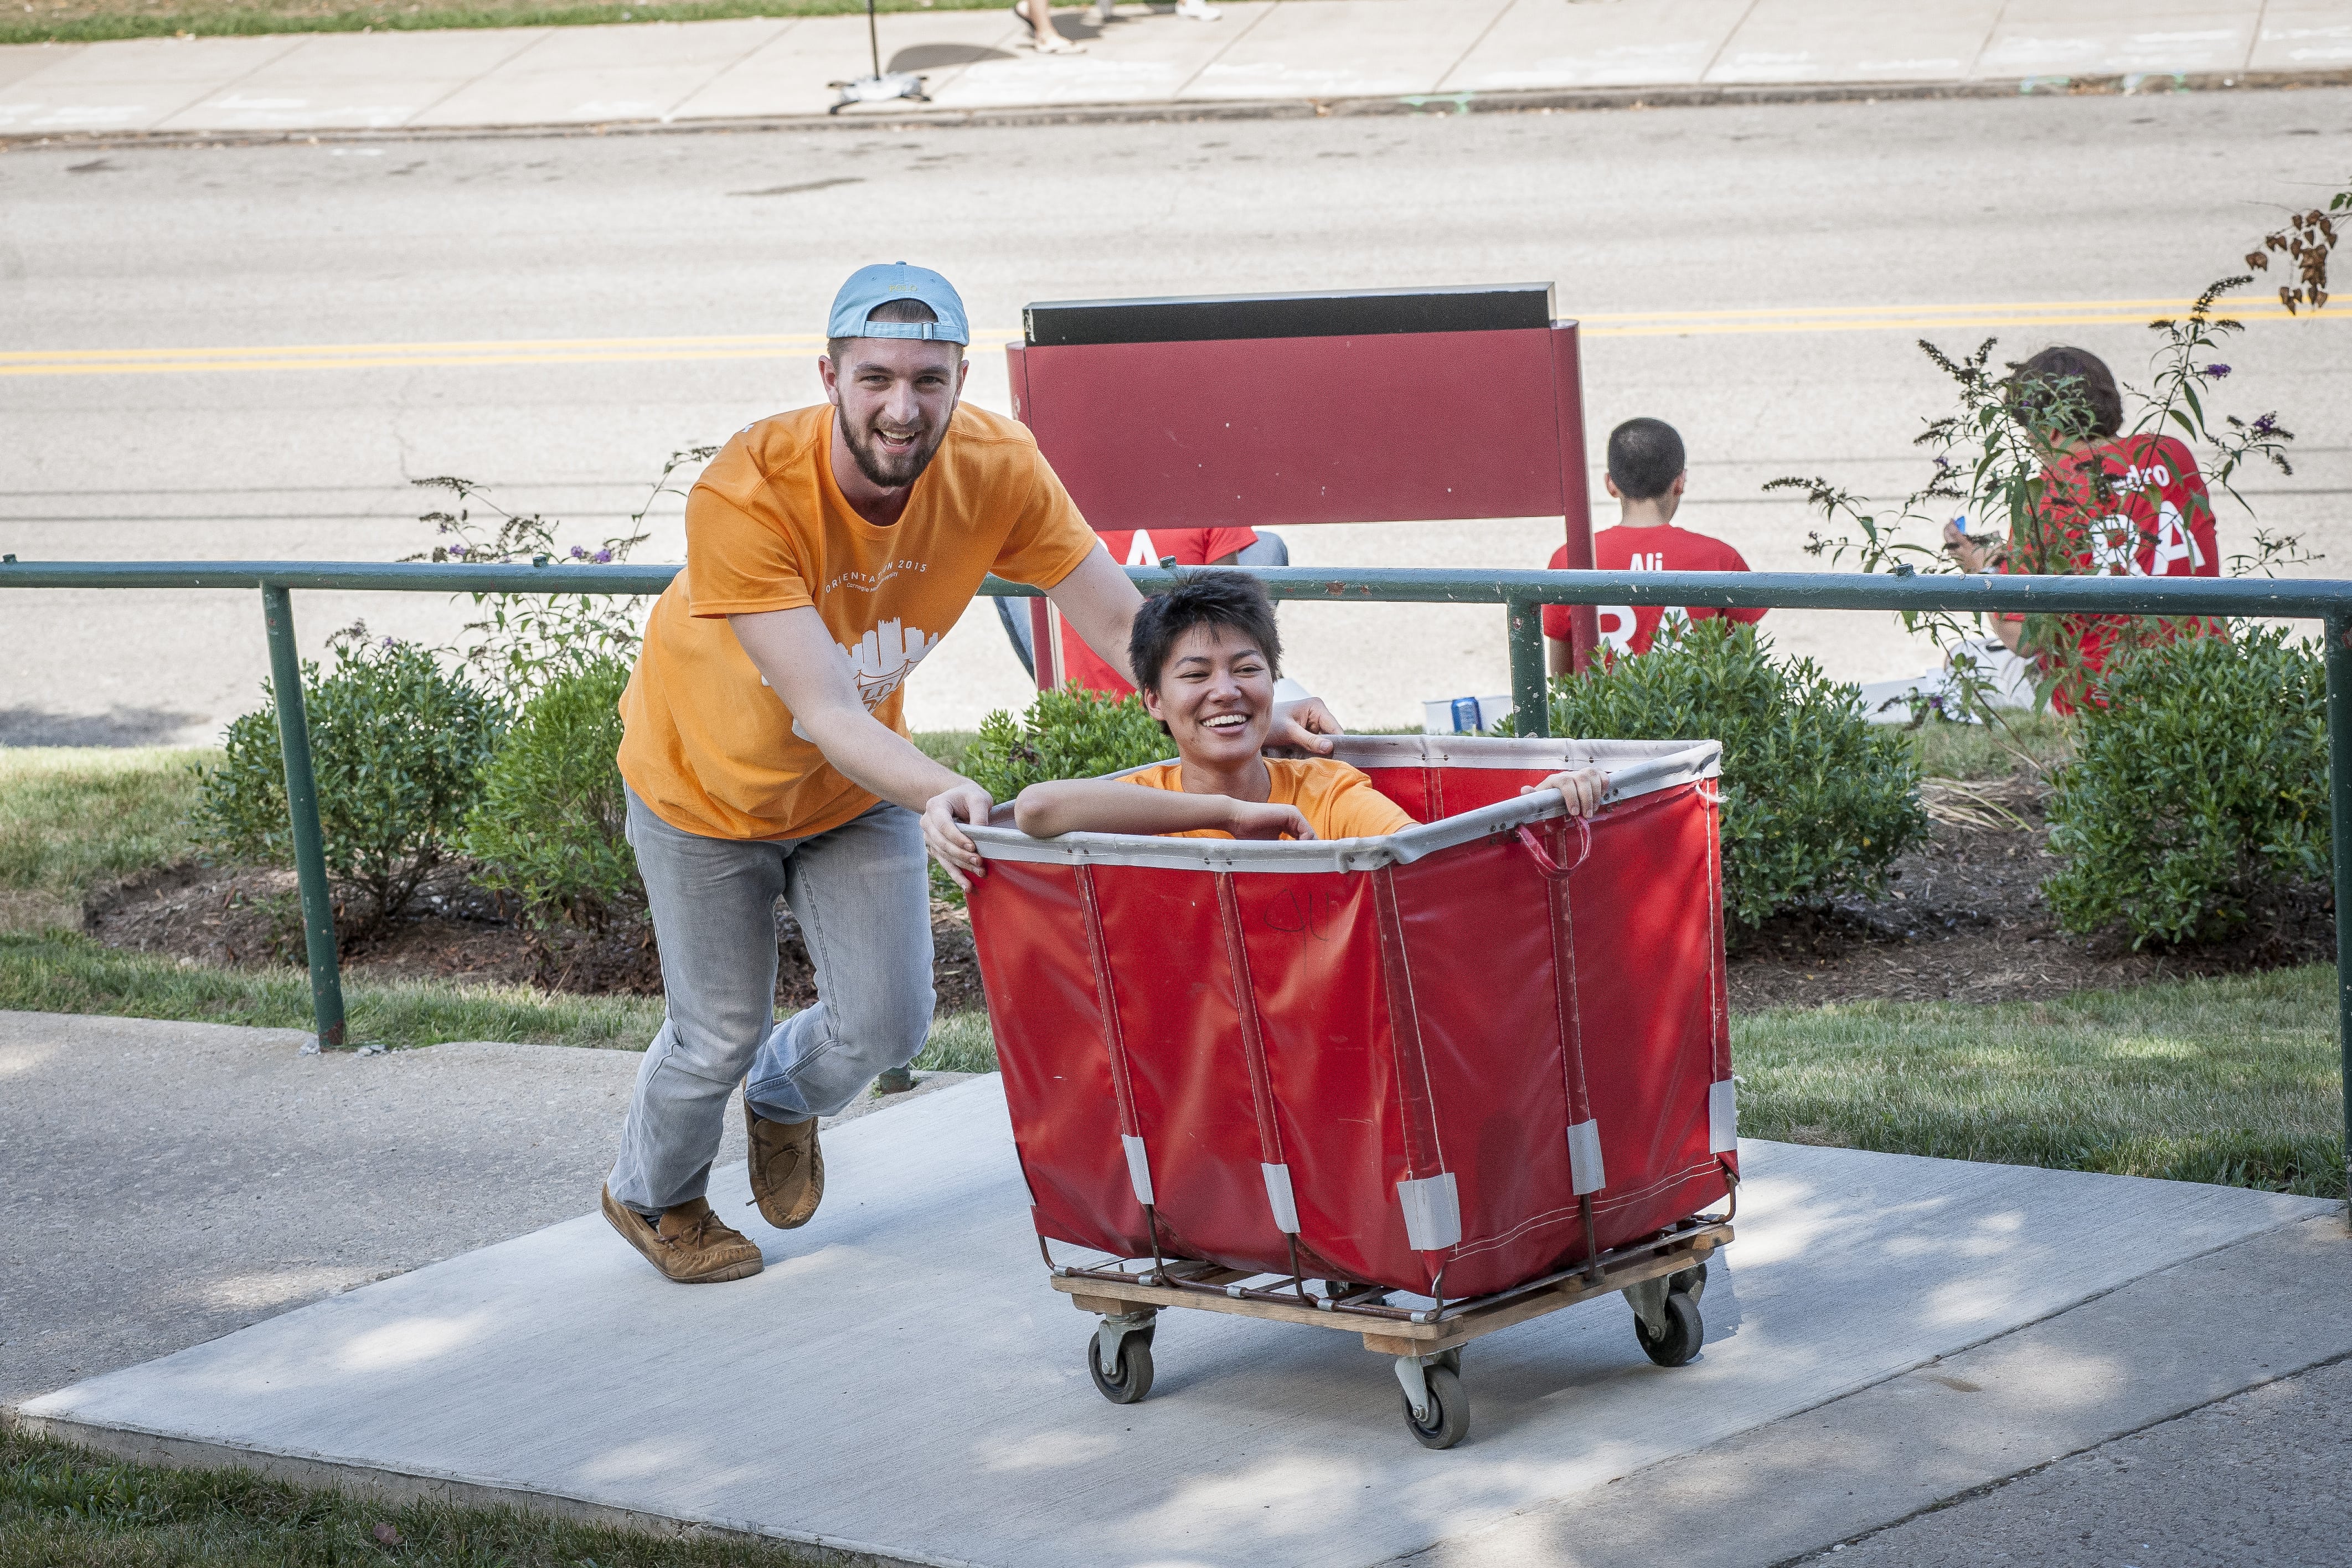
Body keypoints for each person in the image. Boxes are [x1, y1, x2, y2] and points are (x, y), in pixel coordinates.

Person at [601, 264, 1341, 1285]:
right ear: (829, 376)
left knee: (888, 1022)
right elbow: (820, 708)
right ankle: (655, 1194)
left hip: (856, 784)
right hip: (703, 789)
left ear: (957, 378)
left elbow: (1129, 625)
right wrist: (937, 789)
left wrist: (1273, 690)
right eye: (874, 379)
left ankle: (783, 1099)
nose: (900, 409)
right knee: (715, 1030)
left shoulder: (994, 465)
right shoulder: (749, 487)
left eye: (926, 381)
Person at [1007, 572, 1607, 844]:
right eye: (1196, 675)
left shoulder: (1326, 790)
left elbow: (1422, 856)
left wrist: (1545, 800)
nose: (1226, 691)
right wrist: (1232, 816)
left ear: (1274, 683)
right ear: (1154, 702)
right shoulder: (1143, 798)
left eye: (1247, 670)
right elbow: (1036, 809)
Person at [1942, 345, 2221, 713]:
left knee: (1962, 664)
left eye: (2029, 437)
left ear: (2050, 429)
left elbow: (2024, 639)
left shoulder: (2045, 494)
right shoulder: (2172, 454)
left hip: (2099, 695)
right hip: (2201, 675)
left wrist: (1986, 569)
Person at [1543, 417, 1765, 673]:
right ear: (1680, 482)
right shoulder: (1721, 559)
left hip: (1601, 714)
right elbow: (1739, 669)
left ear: (1611, 484)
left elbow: (1562, 678)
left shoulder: (1570, 559)